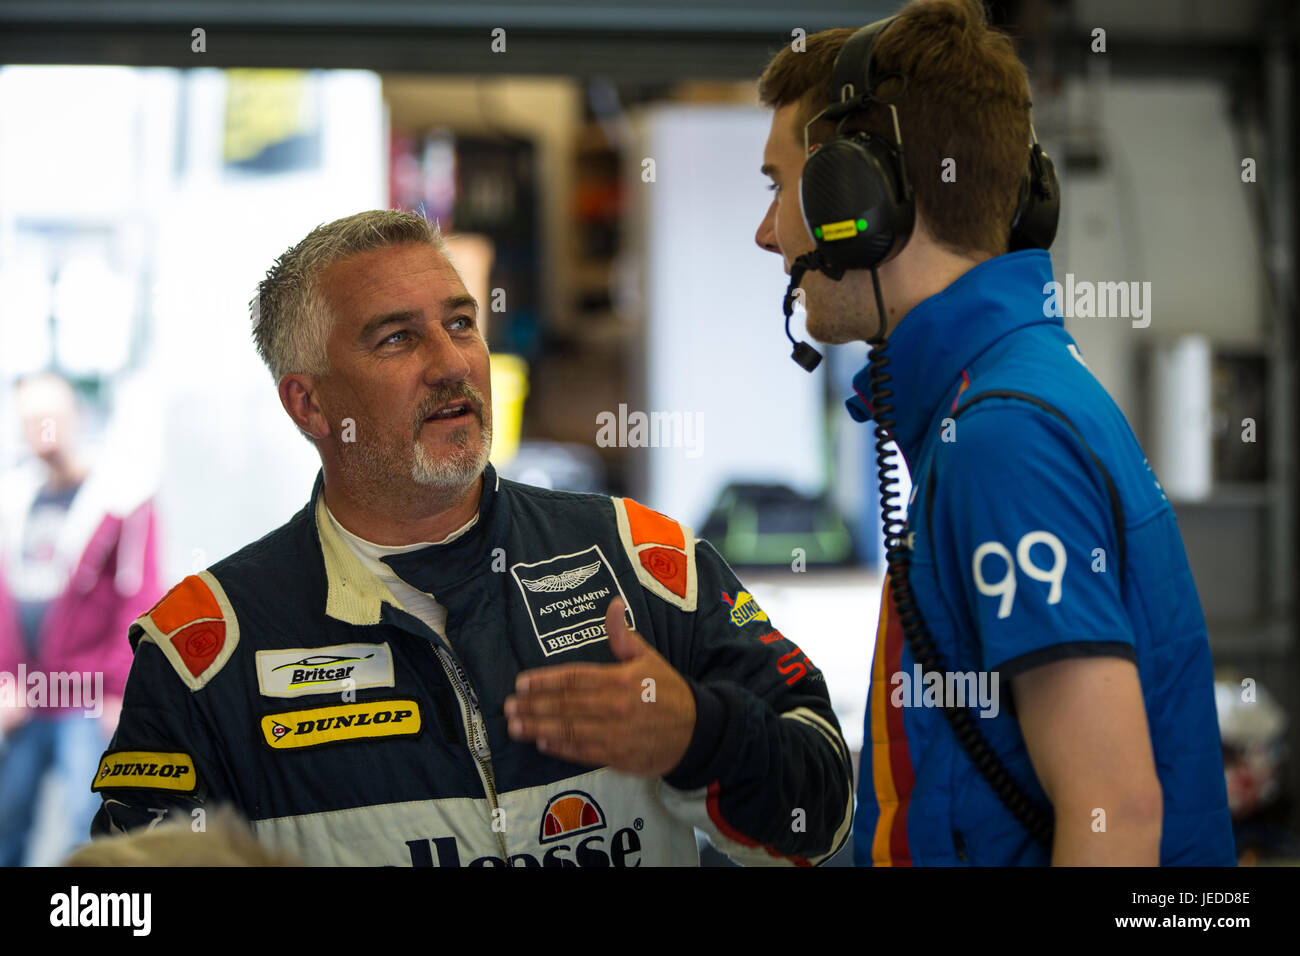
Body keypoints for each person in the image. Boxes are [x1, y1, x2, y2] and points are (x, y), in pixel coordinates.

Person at [89, 209, 853, 866]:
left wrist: (703, 739)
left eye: (460, 324)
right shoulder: (206, 650)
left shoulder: (644, 561)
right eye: (396, 339)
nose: (452, 363)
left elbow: (823, 818)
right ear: (310, 405)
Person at [754, 0, 1234, 865]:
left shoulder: (1001, 440)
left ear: (854, 195)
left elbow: (1114, 816)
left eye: (778, 185)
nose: (765, 234)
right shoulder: (1014, 393)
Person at [0, 372, 162, 866]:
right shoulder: (14, 499)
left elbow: (138, 601)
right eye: (30, 422)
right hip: (25, 697)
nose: (41, 432)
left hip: (88, 698)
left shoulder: (122, 499)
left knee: (85, 823)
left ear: (75, 418)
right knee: (9, 815)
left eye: (49, 419)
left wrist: (120, 690)